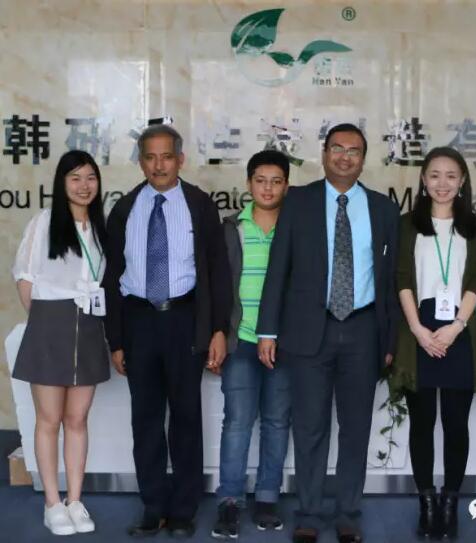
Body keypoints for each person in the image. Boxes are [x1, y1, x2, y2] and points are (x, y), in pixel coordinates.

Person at [256, 123, 400, 543]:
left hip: (363, 330)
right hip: (307, 331)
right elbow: (278, 268)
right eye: (337, 148)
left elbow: (391, 281)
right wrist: (268, 330)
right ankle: (309, 512)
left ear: (363, 159)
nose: (344, 157)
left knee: (355, 429)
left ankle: (348, 513)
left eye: (353, 151)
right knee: (310, 427)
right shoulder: (298, 202)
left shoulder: (383, 209)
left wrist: (389, 341)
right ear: (324, 154)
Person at [102, 124, 232, 538]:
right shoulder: (125, 208)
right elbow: (112, 276)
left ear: (180, 159)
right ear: (140, 162)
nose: (158, 165)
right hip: (138, 322)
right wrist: (116, 339)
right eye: (150, 157)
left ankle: (183, 508)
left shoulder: (200, 205)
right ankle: (154, 505)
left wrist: (218, 329)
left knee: (186, 417)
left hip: (184, 319)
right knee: (145, 419)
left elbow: (217, 271)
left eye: (166, 156)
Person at [388, 146, 476, 539]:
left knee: (455, 424)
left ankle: (450, 503)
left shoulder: (475, 225)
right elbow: (402, 277)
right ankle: (426, 502)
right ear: (423, 179)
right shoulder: (407, 224)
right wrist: (418, 330)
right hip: (417, 327)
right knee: (421, 423)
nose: (442, 183)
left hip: (459, 330)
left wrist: (456, 326)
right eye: (434, 175)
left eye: (451, 175)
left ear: (463, 180)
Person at [12, 150, 110, 535]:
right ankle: (52, 503)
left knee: (77, 419)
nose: (84, 186)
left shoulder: (100, 227)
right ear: (62, 182)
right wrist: (45, 322)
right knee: (49, 420)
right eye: (75, 178)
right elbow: (24, 278)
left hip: (89, 327)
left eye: (90, 178)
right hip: (50, 325)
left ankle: (75, 500)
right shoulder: (45, 222)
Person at [212, 150, 291, 539]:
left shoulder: (295, 228)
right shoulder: (231, 227)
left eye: (276, 182)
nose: (268, 189)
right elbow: (216, 286)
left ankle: (267, 498)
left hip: (284, 343)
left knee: (276, 422)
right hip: (241, 340)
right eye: (261, 180)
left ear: (286, 186)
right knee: (238, 422)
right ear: (248, 184)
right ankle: (229, 500)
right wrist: (217, 333)